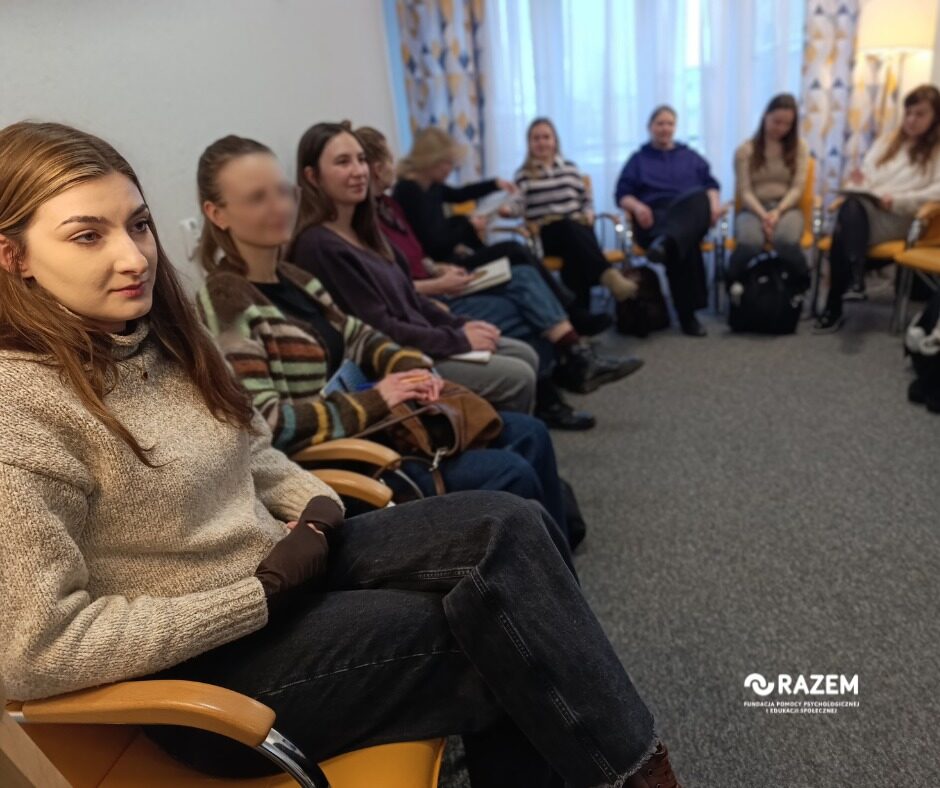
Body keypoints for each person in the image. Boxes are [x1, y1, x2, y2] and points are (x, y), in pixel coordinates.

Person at [0, 119, 683, 788]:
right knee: (494, 636)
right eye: (88, 235)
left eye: (140, 224)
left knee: (509, 521)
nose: (134, 257)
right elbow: (36, 651)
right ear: (14, 256)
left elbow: (253, 446)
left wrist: (317, 503)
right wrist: (257, 594)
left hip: (281, 567)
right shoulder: (21, 410)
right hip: (206, 670)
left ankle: (634, 769)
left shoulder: (163, 336)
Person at [195, 134, 572, 539]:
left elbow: (361, 336)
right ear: (217, 214)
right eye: (258, 198)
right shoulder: (226, 301)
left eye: (283, 192)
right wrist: (379, 398)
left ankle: (554, 559)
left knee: (531, 434)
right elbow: (267, 422)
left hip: (373, 426)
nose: (280, 206)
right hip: (337, 462)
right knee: (512, 472)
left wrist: (411, 369)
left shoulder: (295, 278)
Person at [291, 124, 642, 418]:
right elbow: (383, 327)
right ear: (312, 177)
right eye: (343, 162)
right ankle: (556, 375)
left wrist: (456, 322)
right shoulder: (323, 245)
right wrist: (456, 334)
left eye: (361, 160)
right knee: (521, 330)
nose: (360, 171)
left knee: (526, 326)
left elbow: (410, 292)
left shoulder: (368, 228)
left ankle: (564, 365)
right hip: (403, 358)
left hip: (428, 318)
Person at [393, 126, 612, 336]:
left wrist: (494, 184)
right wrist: (468, 226)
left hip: (452, 255)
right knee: (515, 250)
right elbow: (434, 243)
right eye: (447, 163)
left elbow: (460, 194)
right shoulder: (410, 191)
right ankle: (573, 310)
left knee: (533, 248)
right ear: (431, 161)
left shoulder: (429, 186)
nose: (450, 169)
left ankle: (573, 311)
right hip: (445, 265)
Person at [814, 84, 940, 333]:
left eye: (920, 114)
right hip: (868, 212)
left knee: (844, 227)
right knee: (850, 210)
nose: (911, 120)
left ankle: (836, 303)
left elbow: (937, 191)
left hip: (903, 217)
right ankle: (855, 275)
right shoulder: (888, 142)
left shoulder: (937, 150)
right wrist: (857, 184)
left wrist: (898, 199)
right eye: (908, 113)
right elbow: (866, 177)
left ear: (935, 117)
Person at [615, 105, 722, 337]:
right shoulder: (638, 160)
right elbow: (621, 194)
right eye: (660, 123)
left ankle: (666, 242)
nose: (665, 128)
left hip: (688, 215)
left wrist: (714, 205)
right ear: (650, 127)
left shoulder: (690, 156)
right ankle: (688, 316)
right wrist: (637, 206)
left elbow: (711, 185)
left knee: (696, 201)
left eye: (669, 124)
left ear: (675, 127)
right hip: (653, 220)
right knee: (685, 244)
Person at [513, 117, 639, 309]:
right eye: (536, 138)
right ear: (529, 143)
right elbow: (517, 206)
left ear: (555, 141)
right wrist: (506, 211)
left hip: (577, 231)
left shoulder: (571, 168)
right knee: (569, 229)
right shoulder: (523, 175)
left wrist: (589, 212)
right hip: (547, 233)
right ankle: (608, 274)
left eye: (546, 137)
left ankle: (581, 320)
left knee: (574, 255)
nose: (541, 142)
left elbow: (586, 200)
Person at [729, 93, 810, 291]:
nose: (780, 128)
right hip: (753, 208)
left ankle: (800, 282)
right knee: (750, 243)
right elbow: (745, 191)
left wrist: (778, 212)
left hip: (786, 208)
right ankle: (733, 281)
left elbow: (797, 188)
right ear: (765, 116)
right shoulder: (745, 150)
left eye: (787, 124)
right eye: (776, 122)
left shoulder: (799, 148)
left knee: (785, 241)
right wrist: (764, 216)